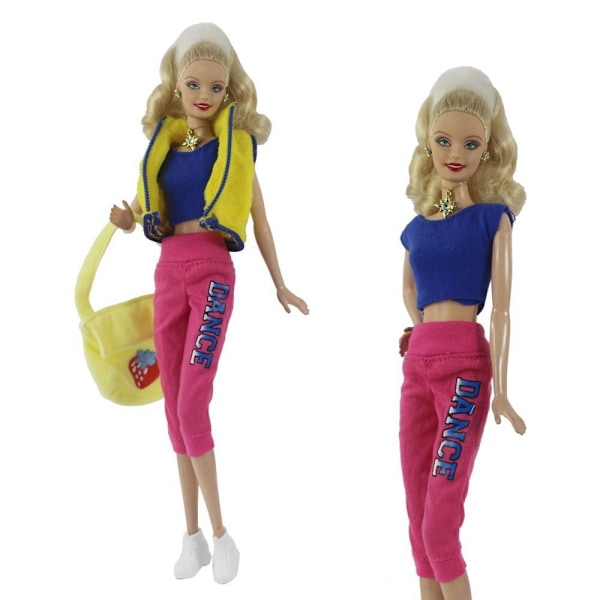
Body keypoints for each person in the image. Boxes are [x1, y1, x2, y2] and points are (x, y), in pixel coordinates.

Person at [109, 22, 309, 586]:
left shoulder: (234, 149)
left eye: (216, 87)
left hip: (212, 273)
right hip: (168, 272)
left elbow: (260, 219)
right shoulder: (164, 148)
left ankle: (223, 536)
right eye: (194, 84)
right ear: (176, 84)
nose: (204, 94)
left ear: (229, 91)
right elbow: (140, 206)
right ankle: (191, 537)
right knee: (174, 406)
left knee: (193, 400)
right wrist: (125, 221)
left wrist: (279, 283)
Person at [398, 66, 526, 600]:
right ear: (427, 143)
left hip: (465, 370)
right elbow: (409, 286)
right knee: (418, 524)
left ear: (487, 149)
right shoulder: (416, 226)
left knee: (439, 526)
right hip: (418, 365)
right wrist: (419, 329)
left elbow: (502, 311)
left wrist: (502, 388)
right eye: (444, 141)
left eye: (470, 143)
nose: (456, 153)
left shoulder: (493, 219)